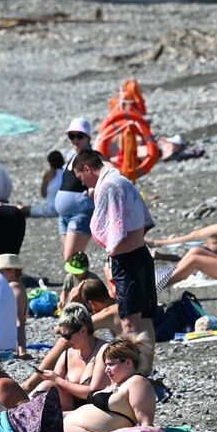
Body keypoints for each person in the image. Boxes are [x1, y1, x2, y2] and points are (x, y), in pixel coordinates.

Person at [74, 146, 157, 357]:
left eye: (80, 176)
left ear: (87, 168)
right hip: (140, 255)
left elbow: (110, 228)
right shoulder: (121, 180)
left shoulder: (109, 186)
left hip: (127, 260)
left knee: (129, 320)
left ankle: (133, 372)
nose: (81, 182)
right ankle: (144, 370)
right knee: (144, 318)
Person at [62, 335, 157, 432]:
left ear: (128, 362)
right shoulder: (114, 385)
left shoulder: (137, 382)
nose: (106, 369)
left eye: (111, 364)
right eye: (106, 365)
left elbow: (146, 423)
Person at [52, 119, 98, 269]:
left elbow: (106, 172)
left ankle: (84, 288)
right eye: (72, 136)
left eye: (80, 136)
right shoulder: (71, 156)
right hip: (64, 216)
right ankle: (78, 288)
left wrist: (95, 187)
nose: (75, 140)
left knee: (70, 259)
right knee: (73, 263)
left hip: (80, 214)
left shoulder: (92, 157)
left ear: (88, 138)